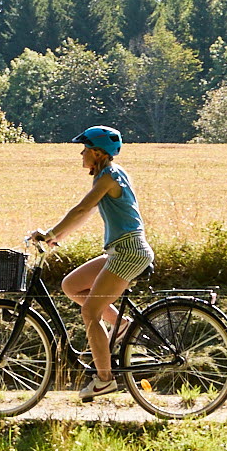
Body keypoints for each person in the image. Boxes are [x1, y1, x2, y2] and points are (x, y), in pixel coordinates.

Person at [32, 124, 155, 399]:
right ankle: (122, 326)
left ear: (98, 153)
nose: (81, 153)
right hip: (120, 250)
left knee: (90, 312)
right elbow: (84, 215)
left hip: (129, 252)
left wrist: (50, 233)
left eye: (85, 149)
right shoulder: (108, 175)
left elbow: (81, 208)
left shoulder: (109, 177)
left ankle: (104, 379)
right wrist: (56, 236)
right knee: (72, 285)